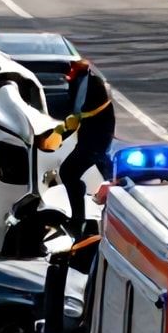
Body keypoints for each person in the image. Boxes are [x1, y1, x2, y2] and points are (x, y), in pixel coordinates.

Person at [56, 59, 115, 230]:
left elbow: (82, 113)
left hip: (96, 138)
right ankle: (80, 215)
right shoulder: (84, 82)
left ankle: (79, 218)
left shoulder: (93, 85)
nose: (68, 78)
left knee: (68, 171)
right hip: (92, 138)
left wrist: (63, 131)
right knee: (75, 172)